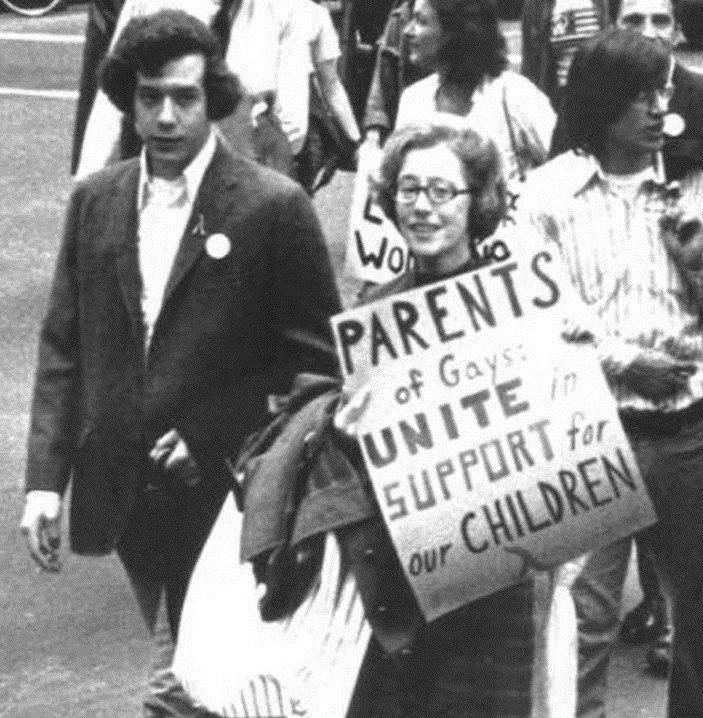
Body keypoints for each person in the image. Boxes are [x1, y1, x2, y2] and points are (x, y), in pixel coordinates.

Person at [19, 9, 341, 716]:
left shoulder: (272, 206)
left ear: (213, 98)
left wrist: (212, 430)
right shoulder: (95, 201)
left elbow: (317, 369)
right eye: (149, 97)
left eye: (185, 98)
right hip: (125, 493)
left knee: (180, 682)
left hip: (232, 497)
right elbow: (64, 346)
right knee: (202, 677)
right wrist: (45, 481)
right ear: (127, 101)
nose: (166, 117)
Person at [520, 27, 703, 717]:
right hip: (591, 430)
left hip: (689, 429)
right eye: (638, 97)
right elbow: (537, 315)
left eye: (662, 92)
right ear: (599, 105)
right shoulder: (546, 194)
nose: (658, 109)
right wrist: (627, 362)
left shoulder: (694, 182)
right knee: (581, 619)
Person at [338, 122, 537, 717]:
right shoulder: (373, 311)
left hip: (495, 581)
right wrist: (347, 429)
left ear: (479, 203)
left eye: (441, 192)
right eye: (407, 189)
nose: (421, 206)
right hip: (398, 580)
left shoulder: (519, 302)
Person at [393, 0, 556, 189]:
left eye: (421, 21)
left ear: (454, 31)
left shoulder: (515, 94)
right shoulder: (413, 99)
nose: (407, 31)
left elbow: (563, 170)